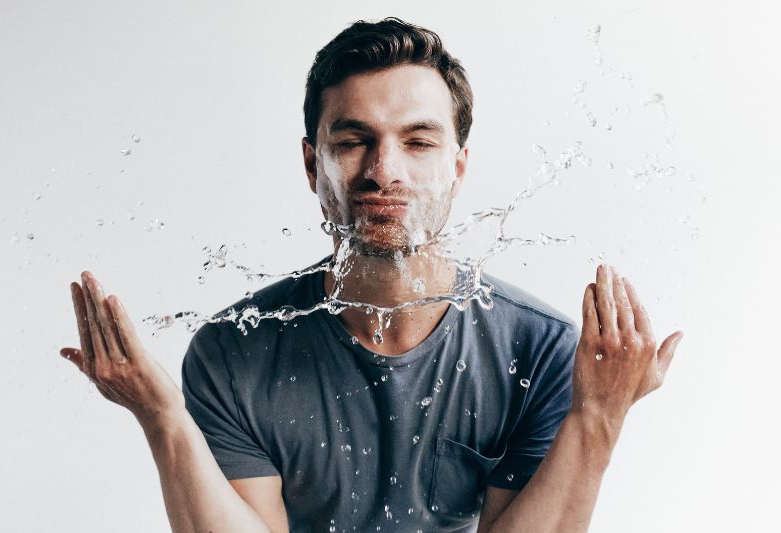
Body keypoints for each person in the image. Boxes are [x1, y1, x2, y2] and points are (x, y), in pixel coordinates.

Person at [60, 17, 684, 533]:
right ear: (313, 164)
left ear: (458, 166)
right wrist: (164, 418)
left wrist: (598, 419)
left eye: (418, 142)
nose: (384, 171)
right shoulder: (234, 351)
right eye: (353, 139)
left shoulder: (540, 349)